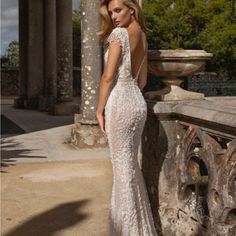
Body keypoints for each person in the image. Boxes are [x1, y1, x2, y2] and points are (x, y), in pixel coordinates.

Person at [96, 0, 157, 235]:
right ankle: (138, 228)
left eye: (118, 10)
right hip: (137, 104)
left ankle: (127, 231)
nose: (113, 16)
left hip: (120, 103)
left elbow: (107, 77)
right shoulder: (142, 36)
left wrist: (99, 110)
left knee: (122, 171)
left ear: (132, 9)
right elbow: (142, 81)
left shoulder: (119, 34)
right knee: (131, 168)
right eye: (111, 12)